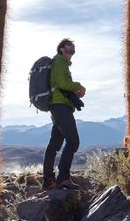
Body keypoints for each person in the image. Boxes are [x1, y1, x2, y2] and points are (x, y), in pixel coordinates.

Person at [42, 38, 87, 190]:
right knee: (73, 141)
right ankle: (63, 178)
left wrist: (73, 92)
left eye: (73, 47)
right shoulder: (60, 62)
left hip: (59, 106)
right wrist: (78, 86)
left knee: (54, 144)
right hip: (60, 107)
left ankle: (48, 180)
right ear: (62, 49)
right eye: (69, 46)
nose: (72, 48)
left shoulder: (61, 63)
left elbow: (61, 85)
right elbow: (62, 83)